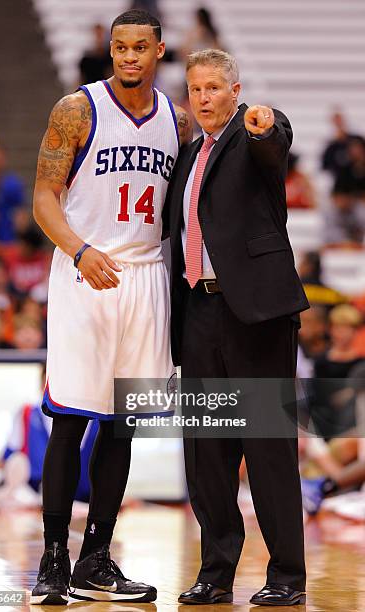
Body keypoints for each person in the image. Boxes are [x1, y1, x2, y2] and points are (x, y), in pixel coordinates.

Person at [30, 9, 191, 606]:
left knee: (123, 426)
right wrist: (78, 250)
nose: (129, 57)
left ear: (158, 51)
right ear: (110, 49)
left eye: (140, 48)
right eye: (120, 47)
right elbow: (44, 197)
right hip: (85, 273)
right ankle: (53, 560)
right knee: (70, 418)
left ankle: (96, 559)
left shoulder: (177, 120)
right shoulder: (76, 109)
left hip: (147, 278)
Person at [165, 49, 309, 606]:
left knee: (268, 447)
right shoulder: (188, 155)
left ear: (234, 89)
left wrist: (267, 124)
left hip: (256, 317)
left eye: (213, 88)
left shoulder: (253, 134)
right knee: (206, 451)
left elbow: (274, 145)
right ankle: (216, 574)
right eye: (195, 89)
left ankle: (287, 578)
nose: (203, 98)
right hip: (200, 313)